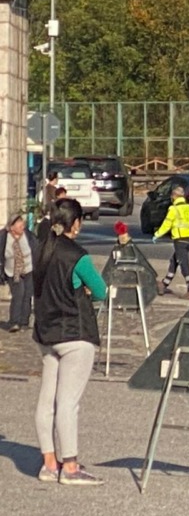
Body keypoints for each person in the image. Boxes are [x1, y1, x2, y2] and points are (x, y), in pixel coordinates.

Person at [32, 198, 107, 485]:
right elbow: (100, 291)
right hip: (74, 333)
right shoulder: (77, 256)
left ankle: (49, 463)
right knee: (68, 402)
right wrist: (85, 291)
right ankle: (71, 466)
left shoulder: (40, 251)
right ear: (75, 223)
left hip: (46, 332)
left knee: (46, 400)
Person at [152, 184, 189, 299]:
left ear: (174, 196)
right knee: (174, 261)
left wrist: (157, 234)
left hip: (180, 239)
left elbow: (167, 224)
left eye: (172, 196)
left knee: (183, 264)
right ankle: (164, 284)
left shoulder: (173, 209)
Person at [2, 213, 34, 332]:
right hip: (12, 271)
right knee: (18, 294)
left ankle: (24, 322)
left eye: (22, 224)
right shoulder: (4, 238)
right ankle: (14, 322)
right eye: (19, 224)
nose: (22, 226)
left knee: (27, 295)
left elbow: (35, 247)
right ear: (12, 227)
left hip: (28, 269)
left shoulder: (27, 235)